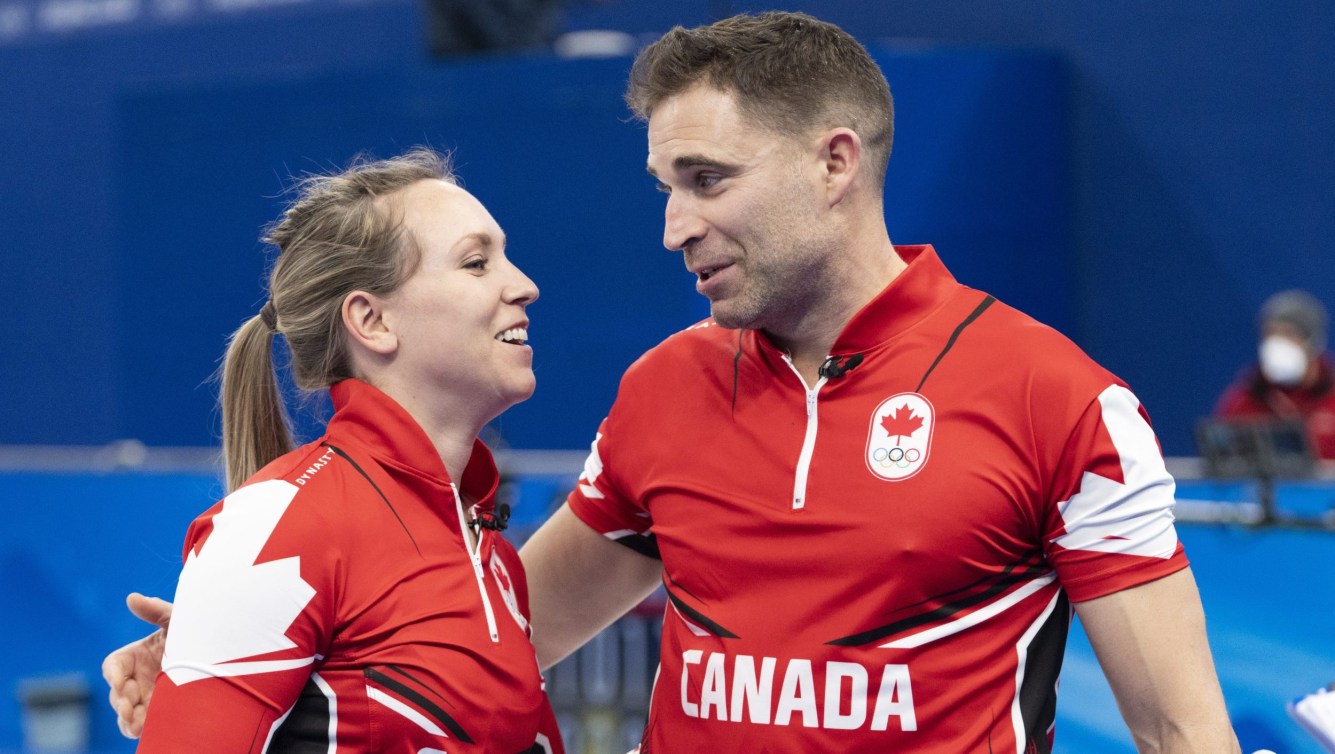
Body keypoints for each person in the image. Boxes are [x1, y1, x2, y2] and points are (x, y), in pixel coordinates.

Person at [107, 12, 1240, 752]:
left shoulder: (1063, 401)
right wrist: (254, 665)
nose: (672, 227)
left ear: (834, 163)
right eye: (663, 183)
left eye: (706, 180)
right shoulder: (663, 391)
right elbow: (498, 633)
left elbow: (1186, 735)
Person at [112, 148, 562, 752]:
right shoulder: (276, 529)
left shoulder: (497, 564)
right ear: (372, 321)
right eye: (477, 263)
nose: (525, 286)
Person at [1215, 289, 1335, 459]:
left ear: (1313, 342)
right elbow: (1224, 463)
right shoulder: (1242, 401)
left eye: (1288, 334)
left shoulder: (1331, 398)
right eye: (1270, 334)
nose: (1278, 343)